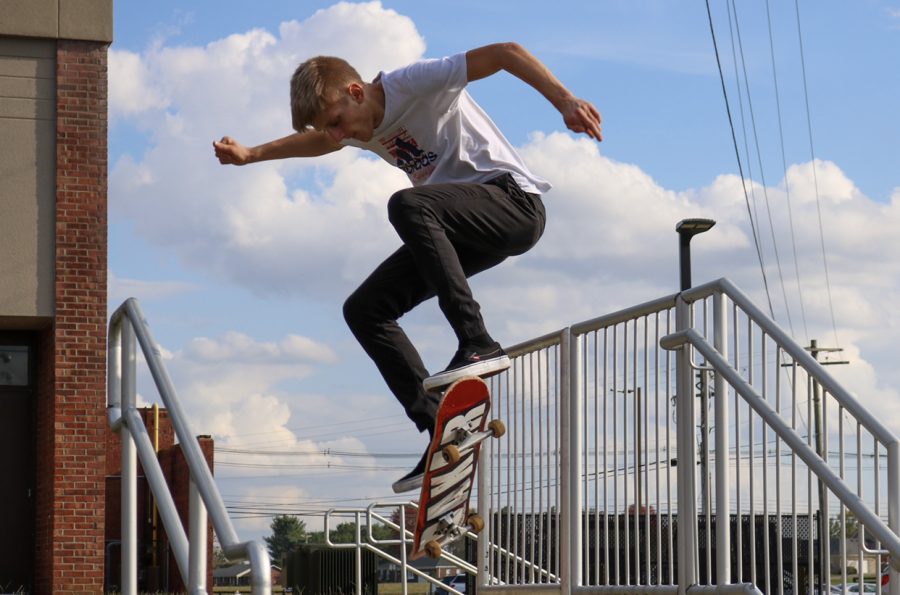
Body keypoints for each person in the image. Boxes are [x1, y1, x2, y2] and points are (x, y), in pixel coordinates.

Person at [214, 42, 602, 493]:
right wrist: (251, 155)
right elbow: (318, 140)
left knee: (408, 205)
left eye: (338, 123)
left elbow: (505, 54)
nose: (339, 137)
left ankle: (477, 341)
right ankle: (437, 426)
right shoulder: (349, 126)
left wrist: (564, 100)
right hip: (459, 229)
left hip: (512, 204)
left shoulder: (413, 83)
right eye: (331, 131)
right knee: (365, 309)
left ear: (356, 92)